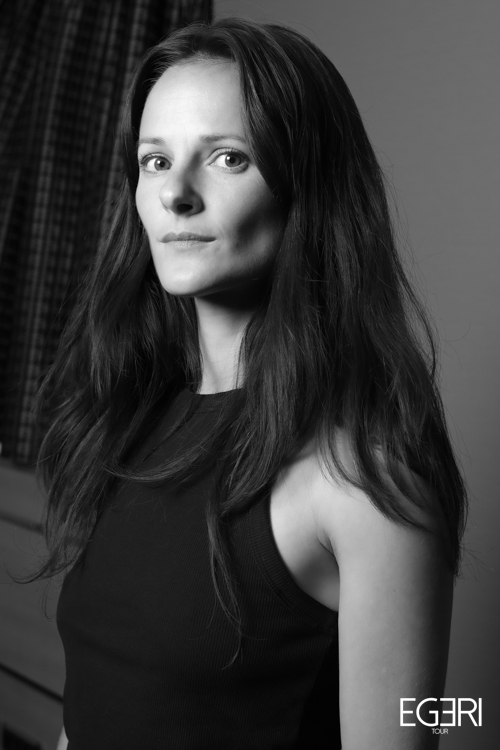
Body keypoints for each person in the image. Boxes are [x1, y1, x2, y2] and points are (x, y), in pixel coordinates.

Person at [37, 17, 467, 750]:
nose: (176, 194)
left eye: (228, 158)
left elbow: (420, 720)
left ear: (308, 185)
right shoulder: (131, 423)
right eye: (154, 160)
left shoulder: (361, 477)